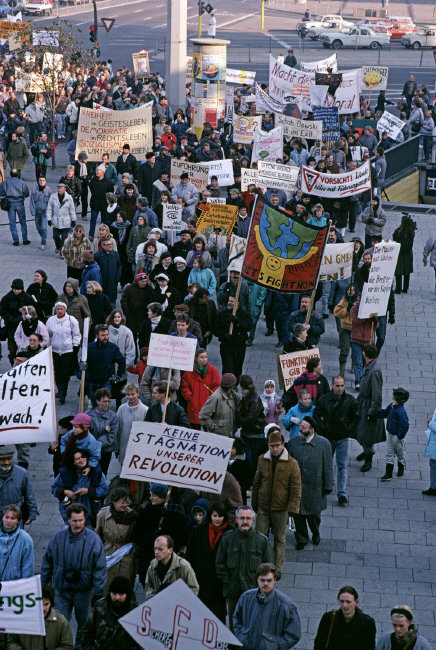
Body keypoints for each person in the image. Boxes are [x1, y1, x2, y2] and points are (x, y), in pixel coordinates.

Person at [41, 504, 106, 648]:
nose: (78, 524)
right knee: (58, 622)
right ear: (68, 519)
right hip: (61, 590)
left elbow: (100, 568)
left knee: (84, 624)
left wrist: (98, 592)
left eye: (81, 520)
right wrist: (43, 585)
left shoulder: (94, 540)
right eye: (75, 521)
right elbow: (47, 562)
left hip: (83, 591)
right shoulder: (57, 537)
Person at [215, 505, 274, 631]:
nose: (245, 521)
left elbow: (269, 568)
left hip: (254, 593)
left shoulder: (262, 541)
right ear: (236, 520)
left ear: (253, 520)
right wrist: (228, 582)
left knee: (253, 625)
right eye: (242, 518)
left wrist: (262, 588)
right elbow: (220, 564)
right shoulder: (227, 539)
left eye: (248, 518)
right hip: (233, 592)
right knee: (233, 625)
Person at [252, 427, 301, 571]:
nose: (275, 448)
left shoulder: (292, 463)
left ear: (282, 445)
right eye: (272, 446)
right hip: (263, 505)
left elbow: (296, 488)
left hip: (281, 508)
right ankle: (260, 565)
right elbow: (257, 482)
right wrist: (255, 502)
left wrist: (293, 509)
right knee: (260, 536)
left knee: (280, 539)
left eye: (277, 445)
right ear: (268, 446)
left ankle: (277, 567)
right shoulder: (262, 459)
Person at [287, 416, 333, 550]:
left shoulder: (324, 444)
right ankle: (301, 538)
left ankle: (315, 532)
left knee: (314, 516)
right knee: (297, 515)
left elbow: (328, 467)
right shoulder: (294, 442)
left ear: (312, 430)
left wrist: (328, 486)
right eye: (301, 426)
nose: (300, 429)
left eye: (304, 427)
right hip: (296, 488)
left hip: (315, 488)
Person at [233, 563, 301, 650]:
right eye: (262, 580)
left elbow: (294, 634)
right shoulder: (246, 597)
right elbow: (237, 618)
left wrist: (276, 647)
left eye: (269, 580)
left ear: (274, 580)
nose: (265, 584)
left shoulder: (286, 605)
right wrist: (242, 637)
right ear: (257, 579)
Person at [314, 376, 358, 505]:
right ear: (332, 386)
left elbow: (355, 417)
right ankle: (329, 484)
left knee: (342, 465)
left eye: (342, 386)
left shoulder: (350, 400)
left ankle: (341, 492)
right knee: (327, 463)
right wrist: (323, 428)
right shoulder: (324, 399)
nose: (340, 388)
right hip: (328, 436)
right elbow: (316, 415)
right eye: (337, 386)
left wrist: (348, 429)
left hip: (342, 437)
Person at [186, 501, 232, 621]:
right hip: (201, 576)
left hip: (219, 579)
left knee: (218, 612)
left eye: (220, 516)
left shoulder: (230, 532)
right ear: (210, 516)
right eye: (215, 516)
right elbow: (191, 552)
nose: (217, 519)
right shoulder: (199, 530)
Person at [51, 448, 108, 527]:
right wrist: (65, 492)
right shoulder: (65, 473)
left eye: (83, 457)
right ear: (73, 462)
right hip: (71, 517)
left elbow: (105, 489)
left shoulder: (95, 472)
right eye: (78, 459)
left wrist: (88, 491)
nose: (82, 460)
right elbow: (54, 488)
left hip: (90, 516)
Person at [8, 583, 74, 650]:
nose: (43, 609)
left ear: (51, 603)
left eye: (46, 604)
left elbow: (67, 646)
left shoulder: (61, 621)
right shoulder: (20, 619)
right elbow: (11, 642)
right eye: (39, 604)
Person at [80, 576, 139, 650]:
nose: (117, 597)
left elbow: (141, 640)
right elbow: (87, 634)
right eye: (114, 593)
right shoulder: (99, 607)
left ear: (127, 595)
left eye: (121, 594)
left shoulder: (135, 611)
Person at [95, 488, 137, 590]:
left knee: (124, 587)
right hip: (108, 553)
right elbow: (97, 536)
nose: (125, 505)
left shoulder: (133, 515)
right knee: (107, 586)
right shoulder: (103, 514)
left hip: (126, 555)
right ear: (113, 502)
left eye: (127, 501)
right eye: (121, 502)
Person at [314, 585, 376, 650]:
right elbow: (319, 644)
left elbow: (369, 647)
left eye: (348, 602)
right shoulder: (328, 618)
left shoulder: (368, 623)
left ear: (356, 602)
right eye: (342, 601)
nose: (345, 605)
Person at [355, 344, 386, 472]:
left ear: (364, 354)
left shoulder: (374, 371)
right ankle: (366, 450)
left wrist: (372, 411)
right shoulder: (368, 366)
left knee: (367, 432)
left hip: (368, 406)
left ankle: (369, 457)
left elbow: (377, 395)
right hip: (362, 403)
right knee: (361, 431)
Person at [144, 534, 199, 600]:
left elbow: (194, 588)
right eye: (155, 548)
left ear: (170, 550)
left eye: (160, 549)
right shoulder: (152, 566)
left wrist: (179, 600)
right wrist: (154, 598)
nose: (156, 552)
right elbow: (148, 586)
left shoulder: (183, 565)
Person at [46, 302, 81, 404]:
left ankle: (63, 393)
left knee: (65, 373)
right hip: (55, 350)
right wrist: (48, 347)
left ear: (65, 309)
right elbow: (48, 335)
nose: (59, 311)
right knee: (56, 372)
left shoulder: (71, 320)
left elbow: (76, 334)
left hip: (67, 350)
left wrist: (75, 347)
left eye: (61, 309)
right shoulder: (51, 320)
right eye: (58, 309)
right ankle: (59, 388)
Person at [180, 348, 221, 428]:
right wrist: (189, 396)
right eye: (201, 357)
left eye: (206, 357)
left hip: (208, 405)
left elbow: (217, 385)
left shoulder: (213, 371)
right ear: (196, 358)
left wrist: (211, 396)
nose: (204, 359)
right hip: (194, 406)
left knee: (208, 433)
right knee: (195, 431)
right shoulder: (189, 372)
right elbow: (184, 386)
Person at [86, 324, 126, 404]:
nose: (105, 337)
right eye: (103, 335)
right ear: (97, 336)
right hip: (92, 381)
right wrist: (82, 365)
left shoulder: (112, 348)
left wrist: (119, 375)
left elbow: (121, 361)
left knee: (105, 403)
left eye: (107, 335)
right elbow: (84, 361)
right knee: (94, 404)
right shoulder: (89, 347)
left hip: (106, 381)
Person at [214, 295, 251, 380]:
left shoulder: (244, 314)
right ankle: (227, 385)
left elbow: (248, 327)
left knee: (237, 368)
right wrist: (224, 335)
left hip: (239, 346)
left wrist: (237, 321)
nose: (229, 303)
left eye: (232, 301)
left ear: (237, 303)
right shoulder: (222, 314)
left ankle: (235, 384)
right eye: (229, 301)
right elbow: (216, 329)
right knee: (228, 368)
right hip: (226, 345)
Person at [378, 387, 409, 481]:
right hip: (390, 434)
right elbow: (385, 413)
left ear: (397, 398)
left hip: (397, 437)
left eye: (394, 394)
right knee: (389, 453)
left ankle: (401, 465)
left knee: (400, 452)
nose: (392, 396)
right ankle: (388, 474)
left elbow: (405, 425)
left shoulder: (400, 411)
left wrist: (399, 436)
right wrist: (375, 414)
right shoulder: (392, 406)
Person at [0, 446, 37, 525]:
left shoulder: (22, 473)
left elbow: (29, 495)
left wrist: (32, 513)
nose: (6, 462)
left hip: (15, 516)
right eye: (2, 460)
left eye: (9, 459)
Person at [87, 388, 119, 475]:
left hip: (105, 451)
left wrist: (97, 444)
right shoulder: (88, 415)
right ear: (97, 401)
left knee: (102, 473)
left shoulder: (113, 417)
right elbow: (85, 432)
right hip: (91, 451)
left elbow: (111, 435)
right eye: (104, 401)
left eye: (108, 401)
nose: (106, 404)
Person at [199, 372, 241, 437]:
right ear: (231, 386)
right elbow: (203, 416)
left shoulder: (233, 394)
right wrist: (214, 428)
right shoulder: (215, 397)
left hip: (230, 434)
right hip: (218, 436)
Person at [117, 383, 148, 467]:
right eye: (128, 394)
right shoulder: (121, 409)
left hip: (140, 449)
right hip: (124, 446)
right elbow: (118, 429)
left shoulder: (145, 410)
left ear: (138, 393)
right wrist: (117, 448)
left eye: (133, 394)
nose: (130, 397)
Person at [0, 504, 34, 580]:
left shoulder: (25, 539)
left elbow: (28, 567)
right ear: (2, 518)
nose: (8, 521)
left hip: (15, 585)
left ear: (18, 520)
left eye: (13, 518)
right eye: (6, 517)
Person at [0, 168, 30, 246]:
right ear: (18, 174)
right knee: (23, 222)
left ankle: (16, 240)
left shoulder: (5, 182)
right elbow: (27, 193)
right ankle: (25, 239)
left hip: (10, 204)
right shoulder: (22, 183)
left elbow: (0, 193)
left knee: (12, 222)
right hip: (20, 203)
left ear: (10, 174)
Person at [47, 183, 77, 255]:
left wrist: (73, 220)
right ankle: (58, 246)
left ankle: (62, 252)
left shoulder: (69, 198)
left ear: (65, 189)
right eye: (58, 188)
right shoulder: (53, 197)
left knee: (64, 238)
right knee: (55, 236)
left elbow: (72, 209)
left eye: (61, 188)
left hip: (65, 221)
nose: (60, 189)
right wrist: (49, 219)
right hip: (56, 220)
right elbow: (49, 208)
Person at [89, 166, 114, 239]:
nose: (96, 172)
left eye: (98, 171)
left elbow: (111, 192)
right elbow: (91, 189)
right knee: (93, 220)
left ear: (103, 172)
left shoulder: (108, 182)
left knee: (105, 221)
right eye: (96, 170)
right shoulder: (93, 181)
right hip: (94, 204)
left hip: (104, 205)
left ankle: (104, 235)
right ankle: (91, 235)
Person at [393, 214, 415, 294]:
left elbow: (394, 237)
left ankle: (398, 289)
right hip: (408, 253)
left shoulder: (399, 231)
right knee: (407, 271)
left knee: (398, 271)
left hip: (400, 252)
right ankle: (405, 288)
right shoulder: (411, 232)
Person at [29, 175, 51, 250]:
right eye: (40, 180)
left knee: (43, 227)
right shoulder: (34, 189)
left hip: (44, 212)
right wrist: (32, 211)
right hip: (37, 212)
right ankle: (43, 237)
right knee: (38, 228)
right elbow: (31, 201)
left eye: (43, 180)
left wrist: (47, 212)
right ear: (38, 181)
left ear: (45, 181)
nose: (41, 182)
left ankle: (43, 242)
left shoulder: (48, 190)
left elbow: (49, 202)